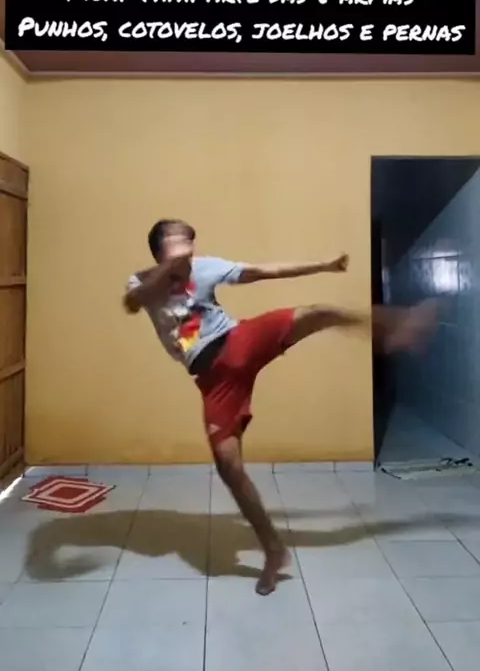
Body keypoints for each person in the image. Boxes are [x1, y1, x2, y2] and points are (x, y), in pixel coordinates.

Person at [123, 218, 439, 595]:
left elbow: (263, 271)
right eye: (178, 240)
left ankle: (401, 325)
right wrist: (169, 269)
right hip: (213, 380)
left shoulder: (204, 268)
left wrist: (323, 265)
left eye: (189, 240)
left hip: (239, 341)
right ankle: (274, 551)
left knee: (317, 313)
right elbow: (134, 302)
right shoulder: (141, 280)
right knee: (228, 466)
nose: (188, 247)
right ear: (160, 249)